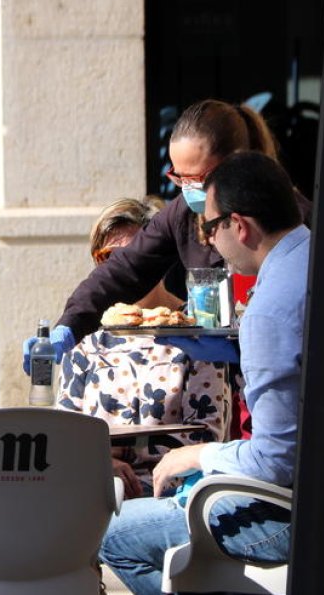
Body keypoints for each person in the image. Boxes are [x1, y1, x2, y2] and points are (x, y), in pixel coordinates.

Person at [97, 152, 324, 593]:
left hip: (303, 519)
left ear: (239, 226)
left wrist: (196, 456)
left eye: (209, 228)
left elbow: (272, 461)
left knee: (110, 532)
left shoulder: (270, 309)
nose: (208, 242)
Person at [27, 98, 307, 363]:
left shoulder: (293, 218)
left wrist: (242, 350)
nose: (188, 188)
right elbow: (124, 269)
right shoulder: (182, 213)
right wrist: (68, 326)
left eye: (197, 178)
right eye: (179, 177)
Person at [56, 198, 230, 498]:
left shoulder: (194, 333)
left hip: (171, 494)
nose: (123, 268)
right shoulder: (86, 341)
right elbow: (64, 436)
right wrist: (101, 464)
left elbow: (207, 435)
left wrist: (130, 468)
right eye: (108, 257)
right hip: (96, 490)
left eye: (134, 255)